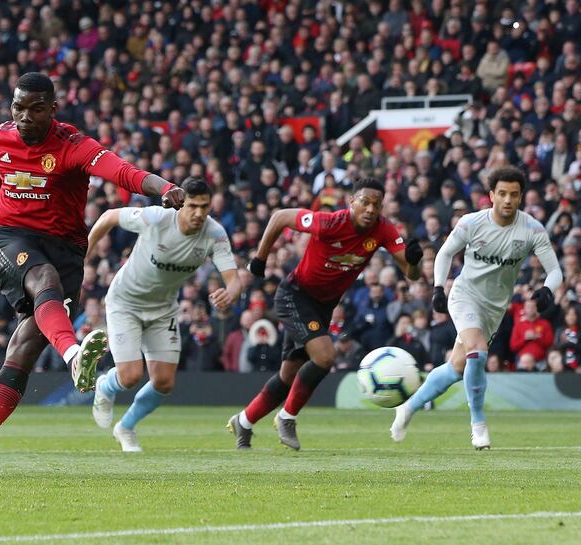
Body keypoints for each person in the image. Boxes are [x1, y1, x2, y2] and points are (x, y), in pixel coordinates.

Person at [0, 72, 185, 477]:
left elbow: (122, 171)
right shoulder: (1, 137)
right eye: (19, 107)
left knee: (23, 353)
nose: (25, 116)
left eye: (35, 109)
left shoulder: (73, 145)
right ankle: (72, 354)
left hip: (67, 250)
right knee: (42, 279)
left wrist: (163, 187)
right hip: (13, 239)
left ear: (53, 109)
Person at [228, 177, 423, 450]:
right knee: (325, 356)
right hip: (295, 295)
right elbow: (280, 216)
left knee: (287, 376)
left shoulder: (384, 230)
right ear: (351, 202)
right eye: (364, 202)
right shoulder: (330, 222)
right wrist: (259, 259)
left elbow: (411, 274)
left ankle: (244, 422)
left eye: (376, 205)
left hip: (323, 305)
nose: (369, 209)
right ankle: (287, 417)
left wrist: (415, 261)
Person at [391, 167, 562, 449]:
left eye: (514, 195)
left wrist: (547, 289)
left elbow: (555, 270)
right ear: (491, 196)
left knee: (458, 368)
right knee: (478, 351)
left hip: (495, 309)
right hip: (465, 295)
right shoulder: (471, 223)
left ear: (521, 198)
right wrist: (437, 287)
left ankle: (408, 407)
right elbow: (445, 253)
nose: (508, 200)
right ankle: (478, 423)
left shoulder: (532, 228)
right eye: (503, 194)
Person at [86, 177, 240, 452]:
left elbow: (234, 278)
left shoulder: (214, 234)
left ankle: (126, 427)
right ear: (183, 205)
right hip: (125, 302)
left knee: (164, 382)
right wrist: (85, 253)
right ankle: (105, 386)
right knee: (131, 376)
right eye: (193, 206)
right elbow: (109, 216)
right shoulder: (157, 218)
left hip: (163, 309)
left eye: (204, 207)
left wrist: (231, 292)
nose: (198, 213)